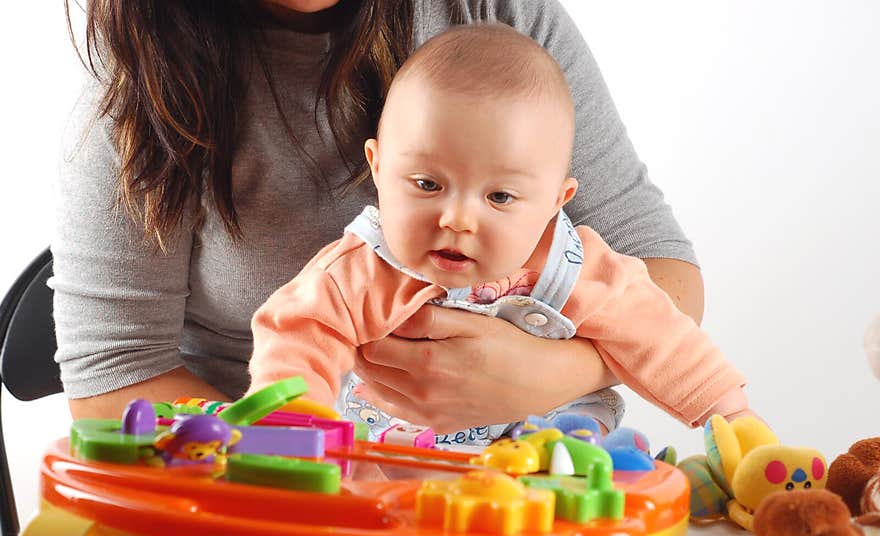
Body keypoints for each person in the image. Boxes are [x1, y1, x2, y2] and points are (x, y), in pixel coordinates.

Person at [53, 0, 706, 437]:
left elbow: (662, 273)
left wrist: (549, 376)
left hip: (513, 478)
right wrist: (305, 458)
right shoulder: (139, 71)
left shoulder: (495, 15)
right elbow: (113, 371)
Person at [247, 23, 756, 447]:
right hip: (393, 464)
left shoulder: (574, 268)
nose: (458, 220)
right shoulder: (360, 271)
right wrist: (294, 430)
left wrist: (735, 421)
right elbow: (296, 335)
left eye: (500, 198)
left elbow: (663, 339)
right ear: (377, 168)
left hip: (541, 470)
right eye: (427, 184)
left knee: (589, 455)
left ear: (557, 202)